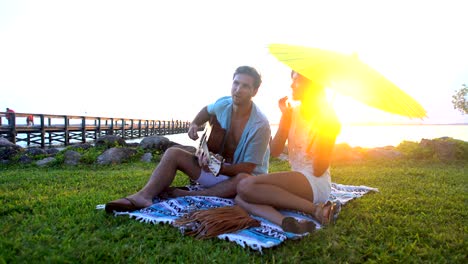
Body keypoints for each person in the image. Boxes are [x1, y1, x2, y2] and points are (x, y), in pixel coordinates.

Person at [105, 66, 271, 213]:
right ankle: (144, 196)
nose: (238, 89)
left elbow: (248, 168)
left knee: (244, 180)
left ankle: (192, 194)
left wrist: (219, 168)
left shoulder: (260, 125)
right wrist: (194, 124)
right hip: (218, 169)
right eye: (236, 83)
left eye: (245, 86)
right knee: (172, 153)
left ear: (254, 91)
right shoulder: (224, 104)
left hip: (243, 181)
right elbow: (207, 110)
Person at [234, 71, 341, 234]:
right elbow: (275, 151)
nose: (292, 85)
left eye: (297, 81)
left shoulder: (328, 119)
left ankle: (316, 210)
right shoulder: (292, 113)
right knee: (240, 197)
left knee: (245, 185)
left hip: (315, 182)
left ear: (311, 86)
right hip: (298, 182)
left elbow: (319, 168)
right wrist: (285, 119)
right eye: (292, 80)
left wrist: (326, 133)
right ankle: (285, 222)